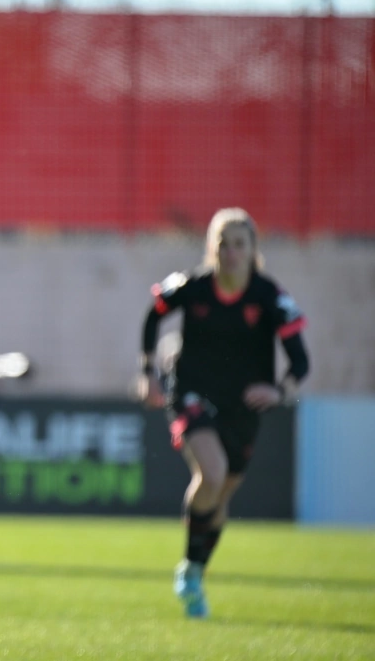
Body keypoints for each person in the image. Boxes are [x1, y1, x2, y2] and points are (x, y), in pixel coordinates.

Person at [137, 207, 309, 619]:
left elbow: (300, 362)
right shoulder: (193, 286)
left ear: (252, 250)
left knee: (222, 496)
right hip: (193, 394)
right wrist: (148, 372)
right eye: (222, 244)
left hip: (242, 408)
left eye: (238, 244)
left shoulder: (269, 297)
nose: (230, 252)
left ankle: (194, 570)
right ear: (211, 249)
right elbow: (153, 316)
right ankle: (190, 573)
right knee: (210, 475)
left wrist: (278, 389)